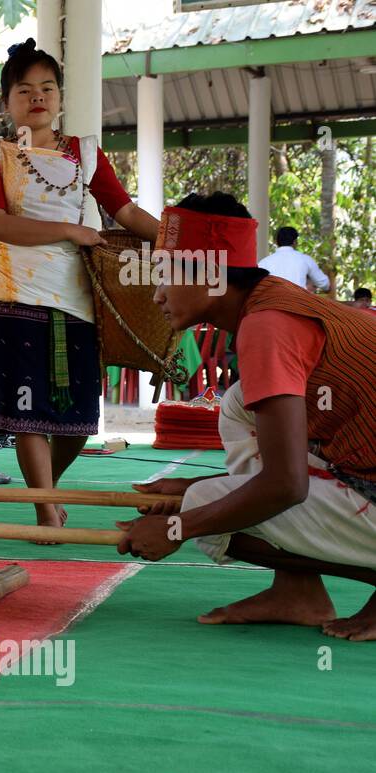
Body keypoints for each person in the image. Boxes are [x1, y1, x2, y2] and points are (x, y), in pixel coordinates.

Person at [121, 193, 376, 641]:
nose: (158, 293)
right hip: (362, 471)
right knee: (239, 406)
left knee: (207, 507)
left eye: (168, 275)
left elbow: (286, 485)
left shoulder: (267, 326)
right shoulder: (273, 301)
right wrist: (187, 488)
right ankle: (297, 592)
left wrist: (178, 525)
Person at [0, 38, 158, 536]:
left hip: (79, 296)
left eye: (47, 88)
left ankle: (45, 489)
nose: (38, 98)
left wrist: (182, 241)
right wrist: (70, 231)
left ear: (59, 96)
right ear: (7, 102)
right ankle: (45, 509)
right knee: (26, 410)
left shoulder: (87, 154)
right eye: (25, 90)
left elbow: (127, 213)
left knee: (78, 415)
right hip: (14, 294)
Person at [258, 226, 331, 295]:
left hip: (273, 305)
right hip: (299, 305)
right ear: (295, 242)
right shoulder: (305, 259)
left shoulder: (264, 263)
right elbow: (324, 283)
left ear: (276, 242)